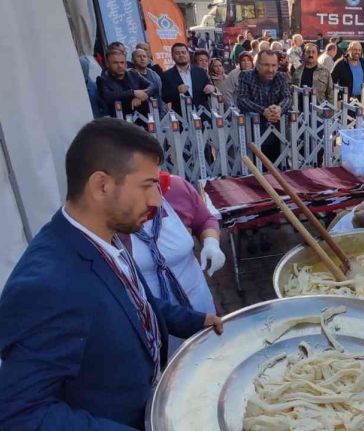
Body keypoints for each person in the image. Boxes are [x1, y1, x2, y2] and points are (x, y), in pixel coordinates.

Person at [0, 118, 223, 430]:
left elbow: (134, 302)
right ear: (101, 185)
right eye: (147, 185)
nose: (157, 201)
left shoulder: (107, 236)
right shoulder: (47, 285)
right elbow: (21, 414)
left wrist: (194, 321)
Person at [126, 172, 225, 355]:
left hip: (197, 301)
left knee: (211, 357)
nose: (155, 201)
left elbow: (204, 220)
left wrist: (211, 242)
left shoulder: (176, 188)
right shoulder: (111, 214)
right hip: (153, 315)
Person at [237, 49, 292, 162]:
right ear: (257, 65)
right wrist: (263, 111)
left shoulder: (282, 77)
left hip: (278, 134)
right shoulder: (246, 76)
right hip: (253, 135)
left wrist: (279, 109)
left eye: (274, 65)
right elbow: (242, 100)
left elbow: (287, 98)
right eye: (266, 65)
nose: (271, 70)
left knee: (279, 170)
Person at [97, 49, 156, 117]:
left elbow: (152, 86)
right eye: (115, 63)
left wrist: (141, 96)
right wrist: (133, 93)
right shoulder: (102, 80)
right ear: (108, 64)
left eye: (122, 62)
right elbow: (109, 96)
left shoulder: (133, 74)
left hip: (143, 118)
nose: (120, 66)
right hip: (120, 121)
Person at [162, 43, 215, 116]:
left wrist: (212, 88)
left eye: (183, 52)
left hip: (203, 115)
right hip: (181, 117)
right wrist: (177, 91)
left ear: (188, 54)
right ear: (172, 56)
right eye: (177, 53)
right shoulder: (167, 75)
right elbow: (164, 97)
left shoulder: (201, 72)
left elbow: (210, 87)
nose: (181, 55)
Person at [131, 48, 165, 115]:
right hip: (139, 115)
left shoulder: (154, 75)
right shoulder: (130, 74)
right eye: (139, 56)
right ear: (133, 60)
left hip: (158, 112)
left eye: (144, 56)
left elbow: (158, 92)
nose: (142, 59)